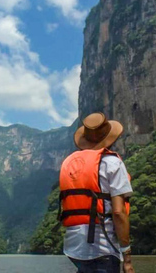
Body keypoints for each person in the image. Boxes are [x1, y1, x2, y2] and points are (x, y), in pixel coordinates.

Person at [58, 112, 135, 273]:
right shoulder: (113, 163)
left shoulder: (69, 163)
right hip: (103, 248)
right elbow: (119, 212)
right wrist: (127, 258)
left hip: (74, 248)